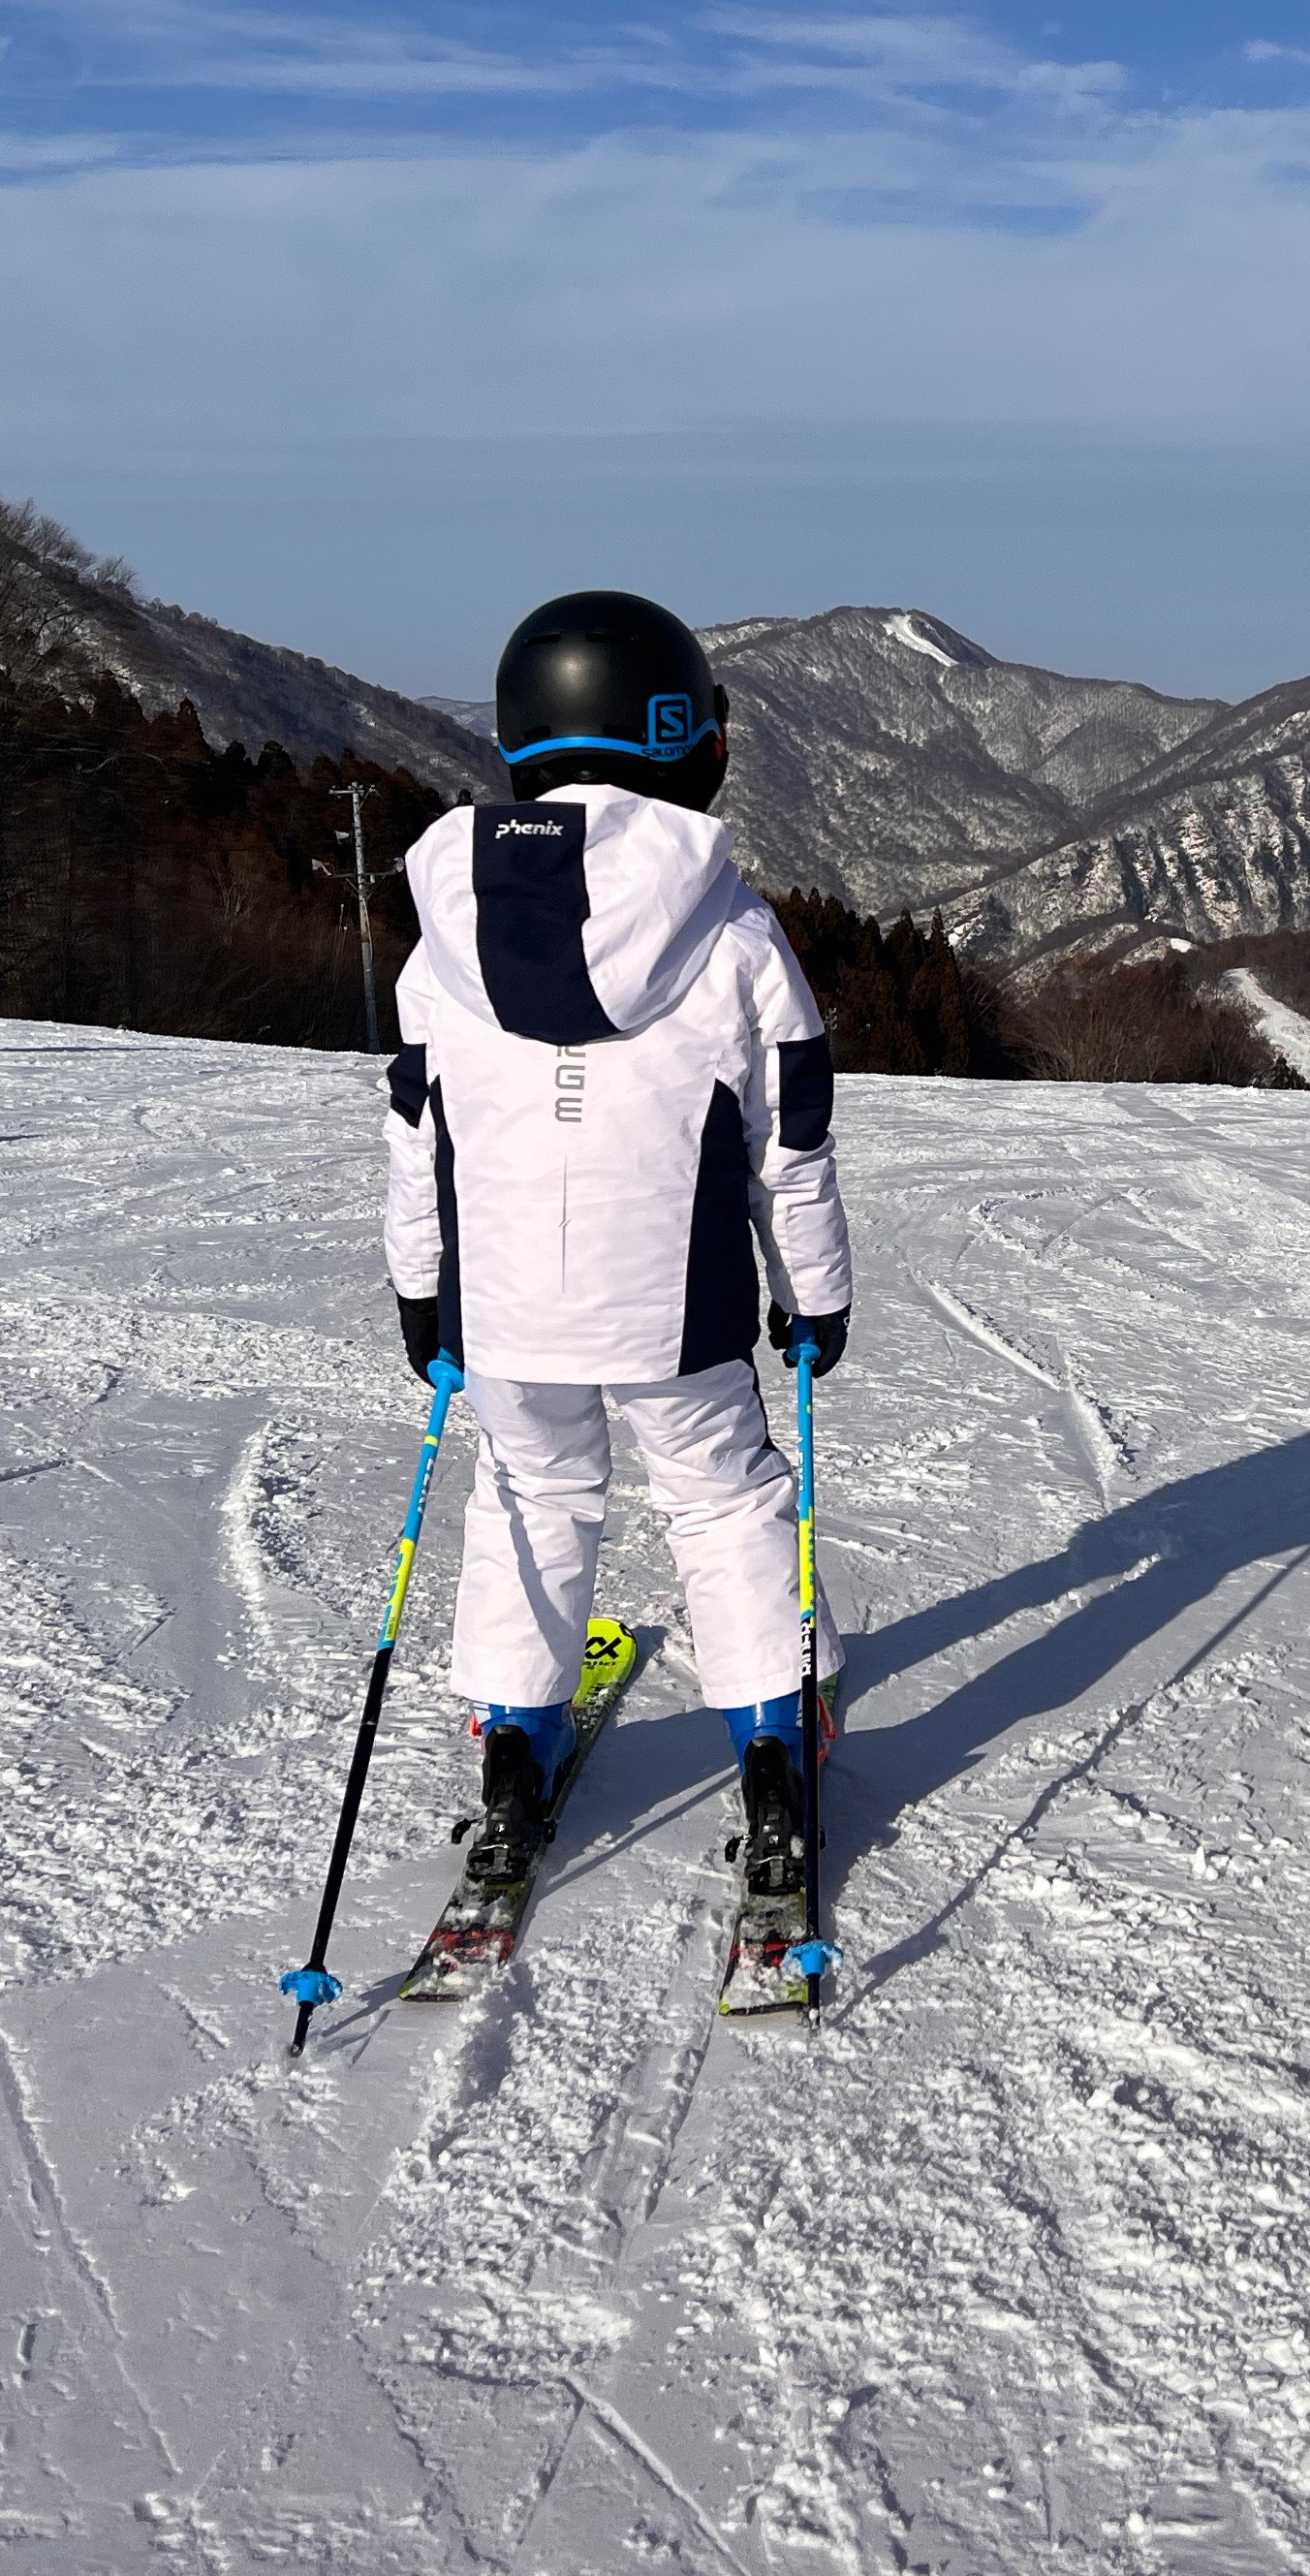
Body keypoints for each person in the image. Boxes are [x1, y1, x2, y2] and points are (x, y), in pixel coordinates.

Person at [381, 589, 854, 1910]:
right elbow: (790, 1139)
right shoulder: (733, 928)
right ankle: (772, 1743)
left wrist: (423, 1290)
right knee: (722, 1495)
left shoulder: (446, 935)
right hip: (676, 1305)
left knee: (528, 1493)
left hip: (504, 1305)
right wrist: (813, 1294)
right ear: (682, 733)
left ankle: (513, 1746)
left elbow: (418, 1135)